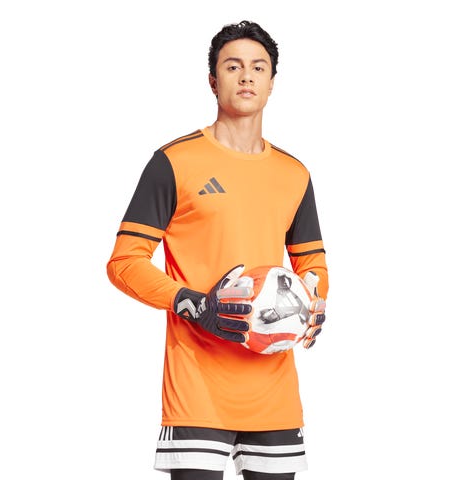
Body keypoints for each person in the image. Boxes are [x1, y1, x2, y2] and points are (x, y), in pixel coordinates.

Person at [107, 20, 329, 480]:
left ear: (272, 83)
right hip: (197, 387)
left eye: (258, 67)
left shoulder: (295, 174)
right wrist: (192, 303)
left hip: (274, 388)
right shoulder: (173, 162)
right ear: (213, 80)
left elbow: (312, 263)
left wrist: (314, 300)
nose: (246, 76)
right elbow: (124, 262)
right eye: (233, 66)